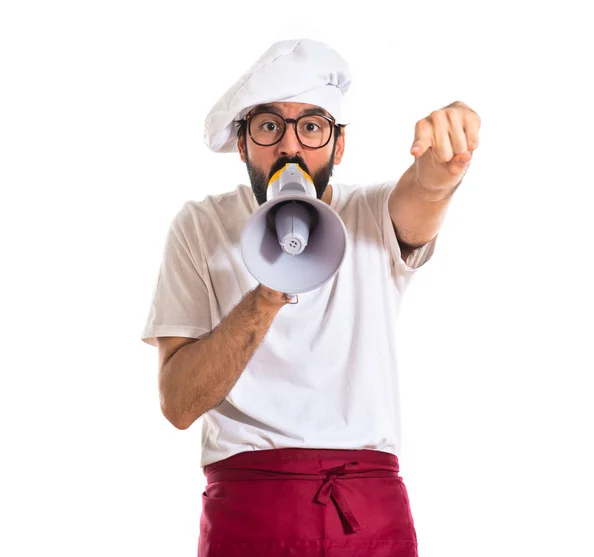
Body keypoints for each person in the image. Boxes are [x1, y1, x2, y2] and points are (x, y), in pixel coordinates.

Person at [141, 38, 480, 557]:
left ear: (339, 144)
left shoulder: (372, 216)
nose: (290, 148)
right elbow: (179, 406)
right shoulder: (198, 227)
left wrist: (443, 171)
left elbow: (423, 197)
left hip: (366, 514)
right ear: (243, 143)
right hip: (250, 512)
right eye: (269, 125)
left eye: (313, 126)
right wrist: (271, 288)